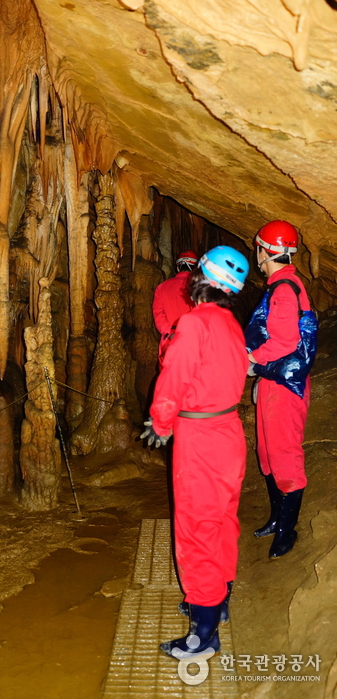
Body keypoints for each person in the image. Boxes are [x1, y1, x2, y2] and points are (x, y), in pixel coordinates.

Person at [141, 246, 249, 660]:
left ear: (198, 279)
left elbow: (174, 378)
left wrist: (161, 423)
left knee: (196, 529)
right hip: (229, 431)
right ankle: (217, 601)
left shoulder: (193, 323)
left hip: (200, 436)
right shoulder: (230, 324)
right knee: (222, 519)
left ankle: (202, 636)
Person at [245, 220, 317, 559]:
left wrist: (251, 361)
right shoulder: (282, 284)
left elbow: (285, 340)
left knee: (285, 455)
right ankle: (277, 518)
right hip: (275, 380)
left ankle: (288, 531)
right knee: (268, 452)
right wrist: (261, 373)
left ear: (264, 251)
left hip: (286, 386)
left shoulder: (285, 289)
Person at [152, 250, 198, 368]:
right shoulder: (200, 288)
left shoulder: (162, 287)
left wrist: (170, 333)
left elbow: (158, 315)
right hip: (195, 340)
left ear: (178, 267)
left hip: (171, 341)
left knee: (170, 380)